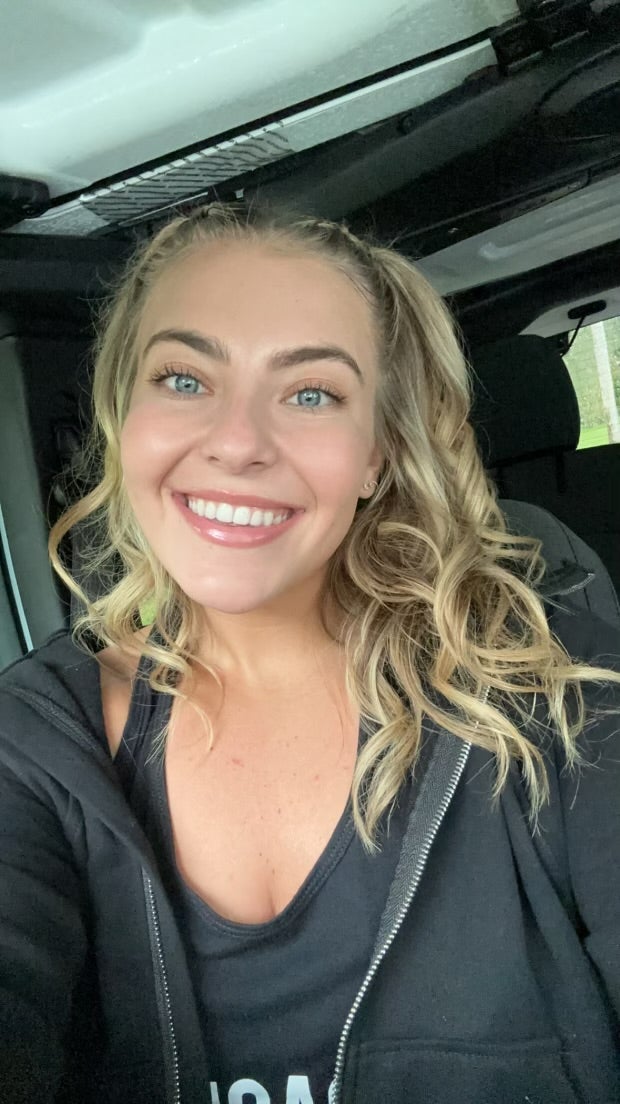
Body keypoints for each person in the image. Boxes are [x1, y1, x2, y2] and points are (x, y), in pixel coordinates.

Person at [0, 202, 619, 1104]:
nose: (238, 442)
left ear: (376, 456)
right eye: (184, 379)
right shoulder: (35, 738)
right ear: (123, 417)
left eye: (311, 394)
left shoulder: (568, 700)